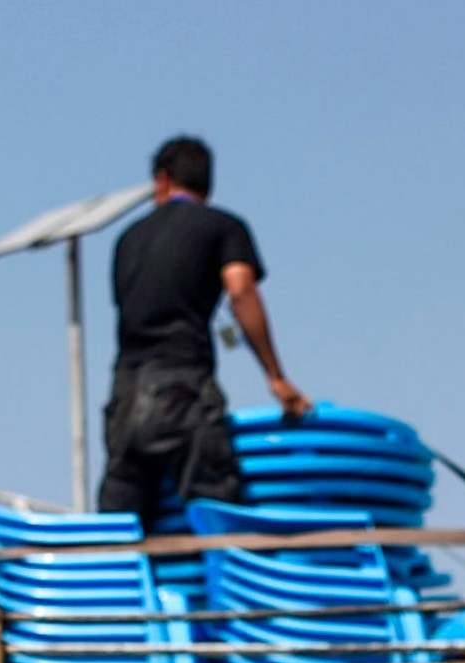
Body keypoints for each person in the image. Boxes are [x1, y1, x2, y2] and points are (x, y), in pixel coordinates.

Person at [96, 135, 314, 515]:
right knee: (216, 511)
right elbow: (241, 290)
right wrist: (276, 376)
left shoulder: (126, 240)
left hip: (125, 398)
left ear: (161, 180)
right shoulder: (223, 227)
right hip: (183, 388)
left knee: (118, 530)